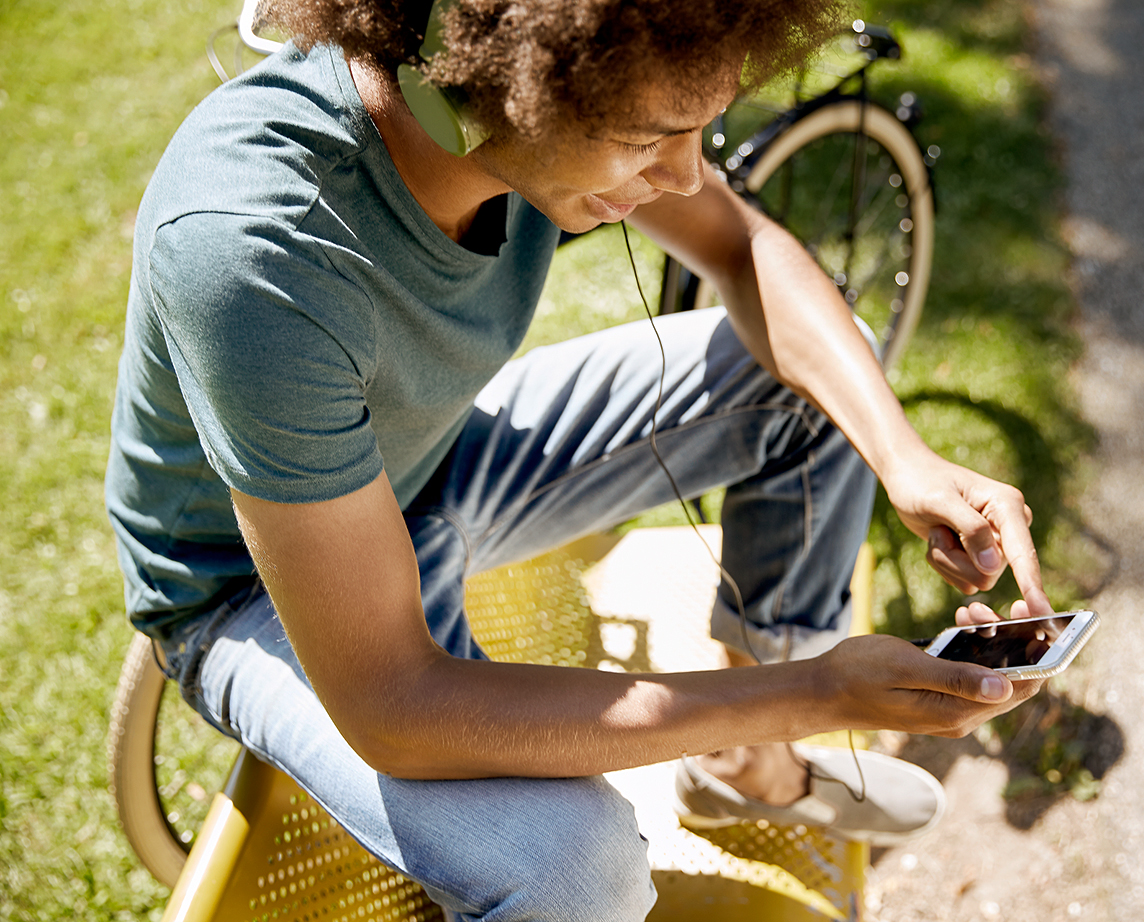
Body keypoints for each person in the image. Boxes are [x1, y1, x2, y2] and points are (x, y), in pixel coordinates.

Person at [105, 0, 1051, 918]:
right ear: (484, 79)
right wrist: (809, 693)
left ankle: (744, 771)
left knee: (822, 375)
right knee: (574, 870)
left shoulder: (540, 117)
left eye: (701, 128)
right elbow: (392, 705)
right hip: (244, 590)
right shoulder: (254, 250)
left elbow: (743, 246)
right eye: (649, 138)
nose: (686, 176)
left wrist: (903, 454)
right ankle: (769, 727)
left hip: (433, 463)